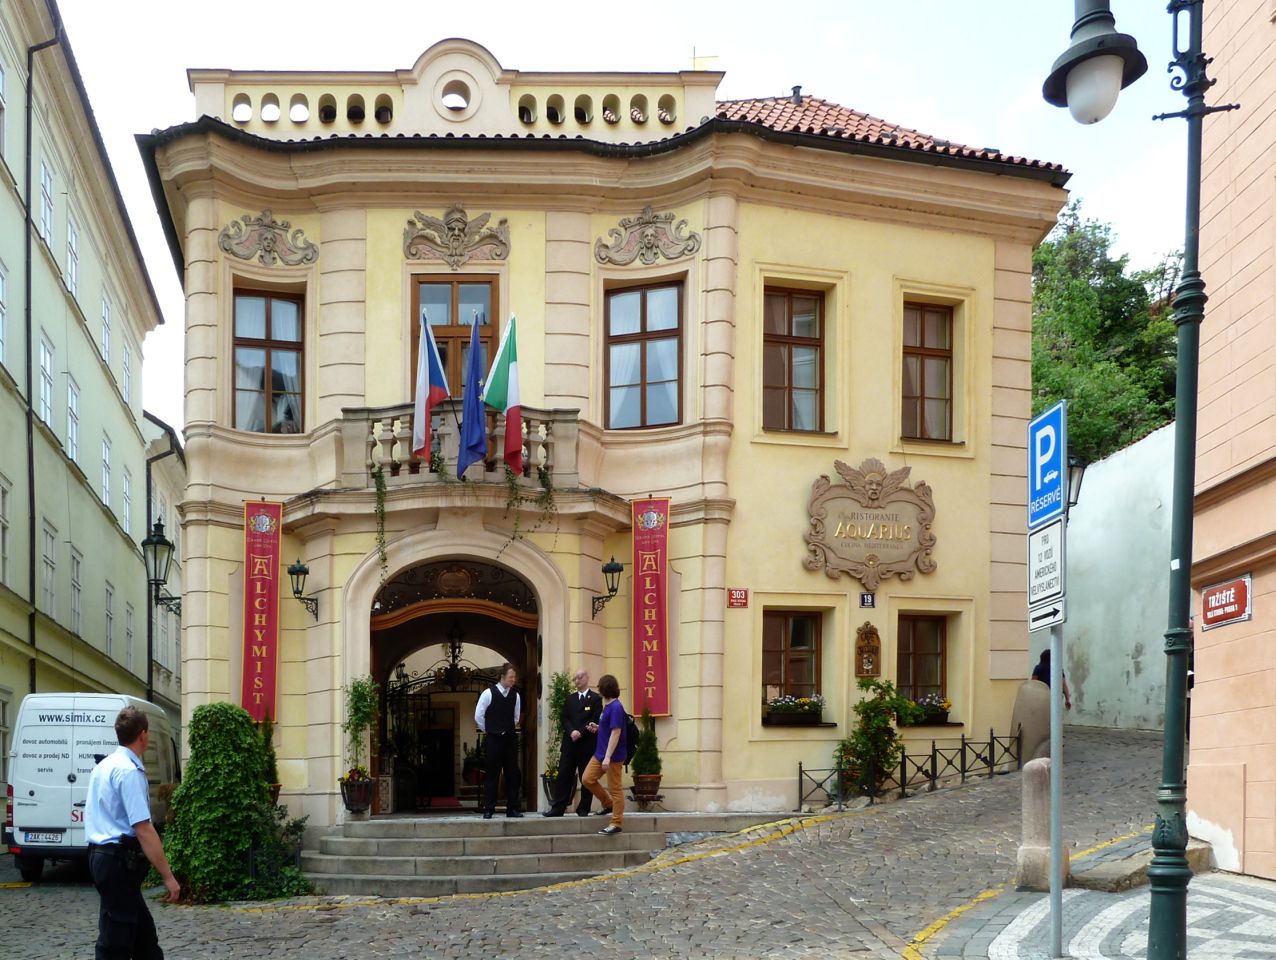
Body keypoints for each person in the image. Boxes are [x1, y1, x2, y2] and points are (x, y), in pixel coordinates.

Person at [84, 705, 180, 960]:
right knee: (114, 943)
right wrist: (168, 877)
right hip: (117, 862)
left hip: (102, 857)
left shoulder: (104, 765)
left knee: (144, 939)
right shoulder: (128, 771)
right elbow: (144, 829)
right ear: (143, 734)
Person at [544, 668, 602, 817]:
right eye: (575, 678)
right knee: (563, 775)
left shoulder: (595, 698)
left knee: (586, 777)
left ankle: (583, 808)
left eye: (580, 677)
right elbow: (564, 718)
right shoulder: (570, 699)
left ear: (587, 678)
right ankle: (558, 808)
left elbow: (595, 719)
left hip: (586, 745)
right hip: (570, 744)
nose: (577, 681)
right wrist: (571, 732)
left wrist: (580, 732)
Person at [475, 662, 523, 818]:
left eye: (514, 677)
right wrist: (489, 730)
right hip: (493, 740)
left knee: (512, 774)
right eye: (511, 677)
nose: (513, 680)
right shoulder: (488, 693)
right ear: (502, 676)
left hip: (510, 739)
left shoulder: (515, 696)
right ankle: (489, 808)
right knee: (492, 774)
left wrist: (506, 728)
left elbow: (516, 717)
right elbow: (478, 716)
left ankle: (512, 808)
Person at [581, 673, 627, 836]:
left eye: (600, 687)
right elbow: (609, 728)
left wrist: (608, 757)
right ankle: (607, 804)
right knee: (587, 779)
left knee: (615, 789)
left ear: (605, 689)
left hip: (613, 756)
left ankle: (616, 823)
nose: (598, 689)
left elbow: (616, 732)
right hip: (600, 752)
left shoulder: (616, 708)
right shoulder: (608, 706)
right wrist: (598, 728)